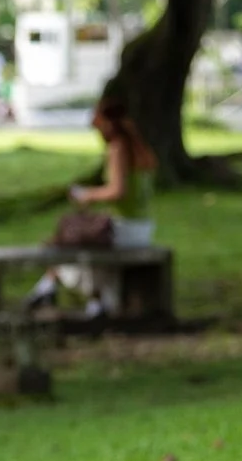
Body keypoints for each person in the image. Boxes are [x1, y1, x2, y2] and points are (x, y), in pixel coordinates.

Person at [28, 92, 157, 319]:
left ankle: (50, 286)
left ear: (107, 123)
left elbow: (117, 190)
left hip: (123, 230)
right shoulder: (141, 149)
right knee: (77, 242)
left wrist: (86, 195)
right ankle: (81, 297)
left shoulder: (118, 148)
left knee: (64, 242)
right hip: (142, 228)